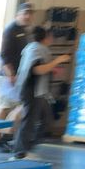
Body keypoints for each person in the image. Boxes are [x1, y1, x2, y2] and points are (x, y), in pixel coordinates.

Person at [12, 26, 70, 159]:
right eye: (50, 37)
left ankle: (28, 146)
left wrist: (52, 69)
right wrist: (57, 61)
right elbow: (36, 70)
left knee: (46, 119)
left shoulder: (38, 49)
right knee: (29, 120)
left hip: (40, 91)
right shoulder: (35, 49)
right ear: (45, 38)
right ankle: (20, 151)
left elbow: (41, 68)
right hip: (31, 90)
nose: (52, 39)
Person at [0, 2, 33, 151]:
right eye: (24, 13)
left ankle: (7, 134)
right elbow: (5, 55)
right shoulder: (11, 30)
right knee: (5, 106)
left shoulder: (25, 31)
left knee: (20, 106)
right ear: (18, 14)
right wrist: (10, 74)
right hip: (8, 75)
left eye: (29, 13)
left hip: (18, 74)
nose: (27, 16)